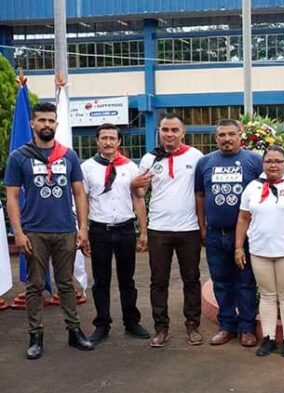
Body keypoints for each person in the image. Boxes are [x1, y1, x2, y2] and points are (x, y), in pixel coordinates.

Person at [4, 102, 94, 359]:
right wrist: (18, 232)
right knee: (34, 285)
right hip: (34, 232)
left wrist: (83, 228)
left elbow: (79, 192)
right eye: (41, 120)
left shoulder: (69, 156)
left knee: (66, 284)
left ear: (56, 123)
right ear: (32, 123)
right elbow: (12, 196)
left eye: (51, 120)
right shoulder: (19, 156)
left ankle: (74, 332)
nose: (46, 125)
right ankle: (35, 336)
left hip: (65, 229)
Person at [235, 145, 284, 358]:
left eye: (278, 161)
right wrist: (239, 247)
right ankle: (269, 338)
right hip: (260, 251)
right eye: (269, 161)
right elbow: (243, 218)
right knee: (267, 296)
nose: (273, 165)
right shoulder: (252, 187)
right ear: (263, 163)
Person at [133, 113, 204, 348]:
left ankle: (192, 325)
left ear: (183, 132)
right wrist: (135, 186)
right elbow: (140, 195)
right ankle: (160, 328)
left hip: (189, 229)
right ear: (159, 132)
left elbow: (202, 192)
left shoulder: (195, 157)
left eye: (175, 130)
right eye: (165, 130)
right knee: (158, 281)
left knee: (191, 279)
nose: (170, 134)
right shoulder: (149, 159)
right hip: (159, 230)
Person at [80, 123, 150, 344]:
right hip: (99, 230)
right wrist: (83, 231)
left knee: (127, 279)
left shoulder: (129, 166)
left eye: (112, 138)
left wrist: (143, 232)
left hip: (125, 229)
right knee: (101, 280)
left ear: (119, 142)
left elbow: (138, 198)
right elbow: (83, 202)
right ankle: (102, 324)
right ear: (97, 141)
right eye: (104, 138)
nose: (108, 142)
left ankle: (131, 321)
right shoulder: (87, 168)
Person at [195, 119, 262, 347]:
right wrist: (202, 227)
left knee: (245, 283)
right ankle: (226, 327)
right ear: (216, 138)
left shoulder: (254, 161)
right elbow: (200, 196)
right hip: (215, 235)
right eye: (222, 135)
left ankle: (246, 328)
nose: (226, 139)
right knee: (221, 282)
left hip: (245, 236)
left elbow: (264, 194)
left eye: (231, 134)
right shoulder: (205, 163)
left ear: (240, 135)